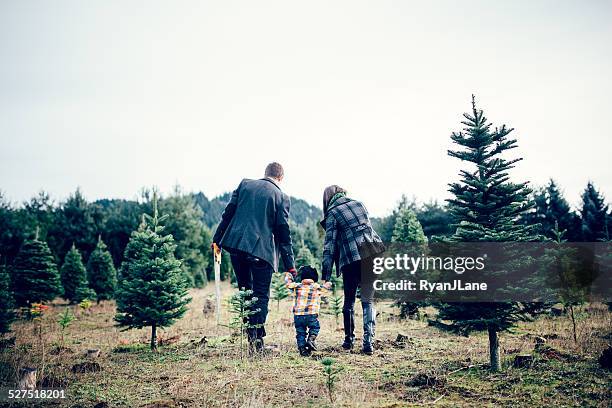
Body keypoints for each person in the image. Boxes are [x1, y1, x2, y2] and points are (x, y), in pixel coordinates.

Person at [212, 162, 296, 353]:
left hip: (236, 246)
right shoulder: (281, 196)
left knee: (245, 292)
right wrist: (290, 266)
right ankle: (257, 344)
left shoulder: (245, 185)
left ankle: (251, 339)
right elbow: (283, 233)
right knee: (260, 296)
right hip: (261, 252)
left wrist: (216, 240)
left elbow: (227, 214)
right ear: (281, 178)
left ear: (265, 173)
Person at [320, 185, 385, 355]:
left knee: (349, 300)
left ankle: (349, 341)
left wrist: (325, 275)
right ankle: (368, 342)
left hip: (351, 259)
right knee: (368, 299)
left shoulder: (333, 213)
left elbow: (329, 245)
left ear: (327, 199)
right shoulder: (360, 204)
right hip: (372, 254)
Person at [284, 265, 330, 356]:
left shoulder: (297, 286)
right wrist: (328, 283)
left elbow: (288, 284)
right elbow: (326, 288)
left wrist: (289, 276)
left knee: (300, 332)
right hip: (311, 314)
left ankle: (302, 349)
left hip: (298, 315)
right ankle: (311, 340)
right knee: (315, 327)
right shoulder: (316, 286)